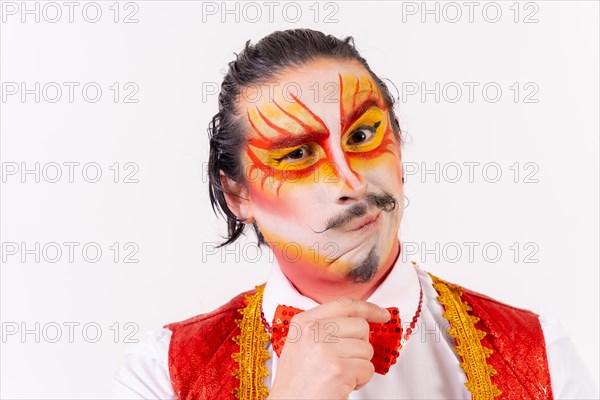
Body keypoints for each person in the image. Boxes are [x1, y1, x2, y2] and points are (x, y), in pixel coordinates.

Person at [112, 29, 597, 400]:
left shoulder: (543, 357)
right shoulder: (162, 373)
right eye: (298, 154)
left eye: (362, 137)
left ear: (399, 145)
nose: (351, 182)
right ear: (238, 196)